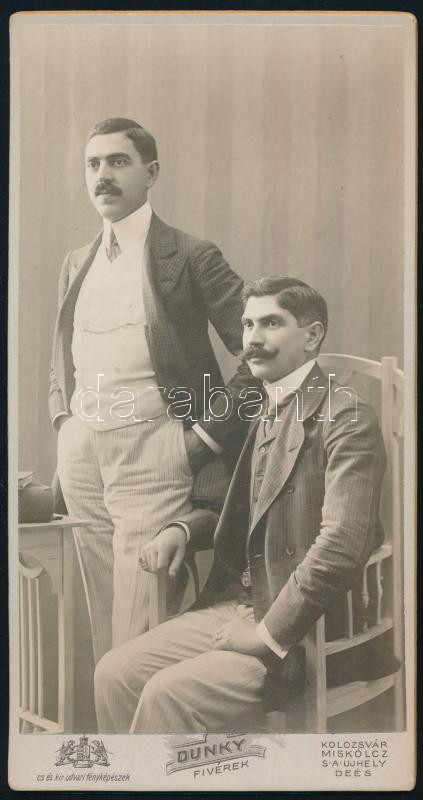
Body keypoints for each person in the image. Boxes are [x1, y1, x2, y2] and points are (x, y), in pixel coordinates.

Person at [93, 276, 392, 734]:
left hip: (303, 625)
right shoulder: (263, 407)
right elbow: (248, 509)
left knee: (166, 693)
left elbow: (342, 545)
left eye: (271, 323)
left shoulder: (347, 418)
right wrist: (184, 529)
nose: (253, 338)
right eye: (249, 324)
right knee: (114, 673)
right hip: (238, 600)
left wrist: (266, 633)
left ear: (312, 335)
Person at [49, 117, 257, 664]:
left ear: (152, 172)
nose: (103, 175)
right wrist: (63, 422)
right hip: (82, 449)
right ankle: (117, 721)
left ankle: (149, 718)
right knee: (102, 609)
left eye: (119, 162)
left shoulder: (190, 255)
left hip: (154, 446)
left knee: (141, 619)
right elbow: (63, 351)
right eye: (93, 164)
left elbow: (261, 352)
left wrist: (204, 438)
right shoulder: (77, 261)